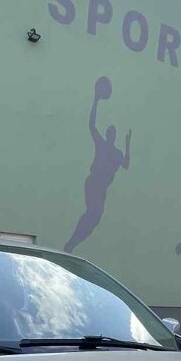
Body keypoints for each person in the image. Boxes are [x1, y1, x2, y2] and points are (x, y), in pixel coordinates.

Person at [64, 77, 131, 253]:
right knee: (92, 213)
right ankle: (70, 243)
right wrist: (95, 100)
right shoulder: (101, 144)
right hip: (94, 182)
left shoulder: (117, 153)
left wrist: (128, 145)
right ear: (108, 134)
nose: (110, 134)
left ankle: (72, 243)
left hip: (102, 188)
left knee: (94, 217)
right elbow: (91, 124)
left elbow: (126, 165)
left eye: (112, 132)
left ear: (114, 136)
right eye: (109, 131)